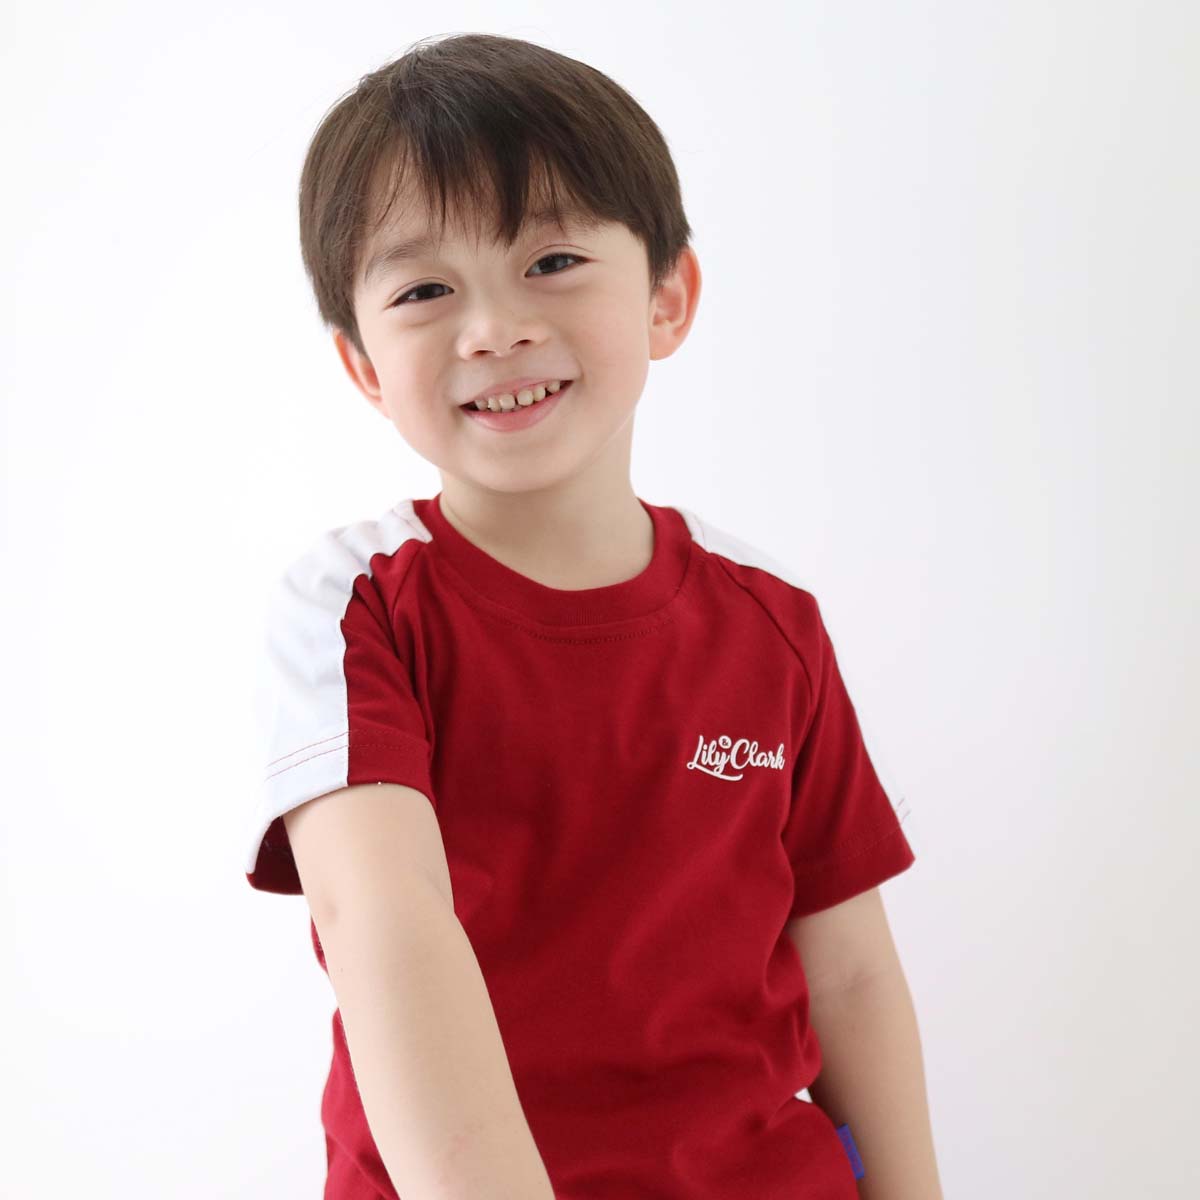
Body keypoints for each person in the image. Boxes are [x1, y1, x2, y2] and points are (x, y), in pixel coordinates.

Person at [244, 31, 942, 1200]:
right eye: (425, 291)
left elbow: (852, 975)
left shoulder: (771, 621)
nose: (493, 328)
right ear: (364, 366)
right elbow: (386, 929)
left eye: (553, 260)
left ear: (669, 298)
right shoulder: (355, 603)